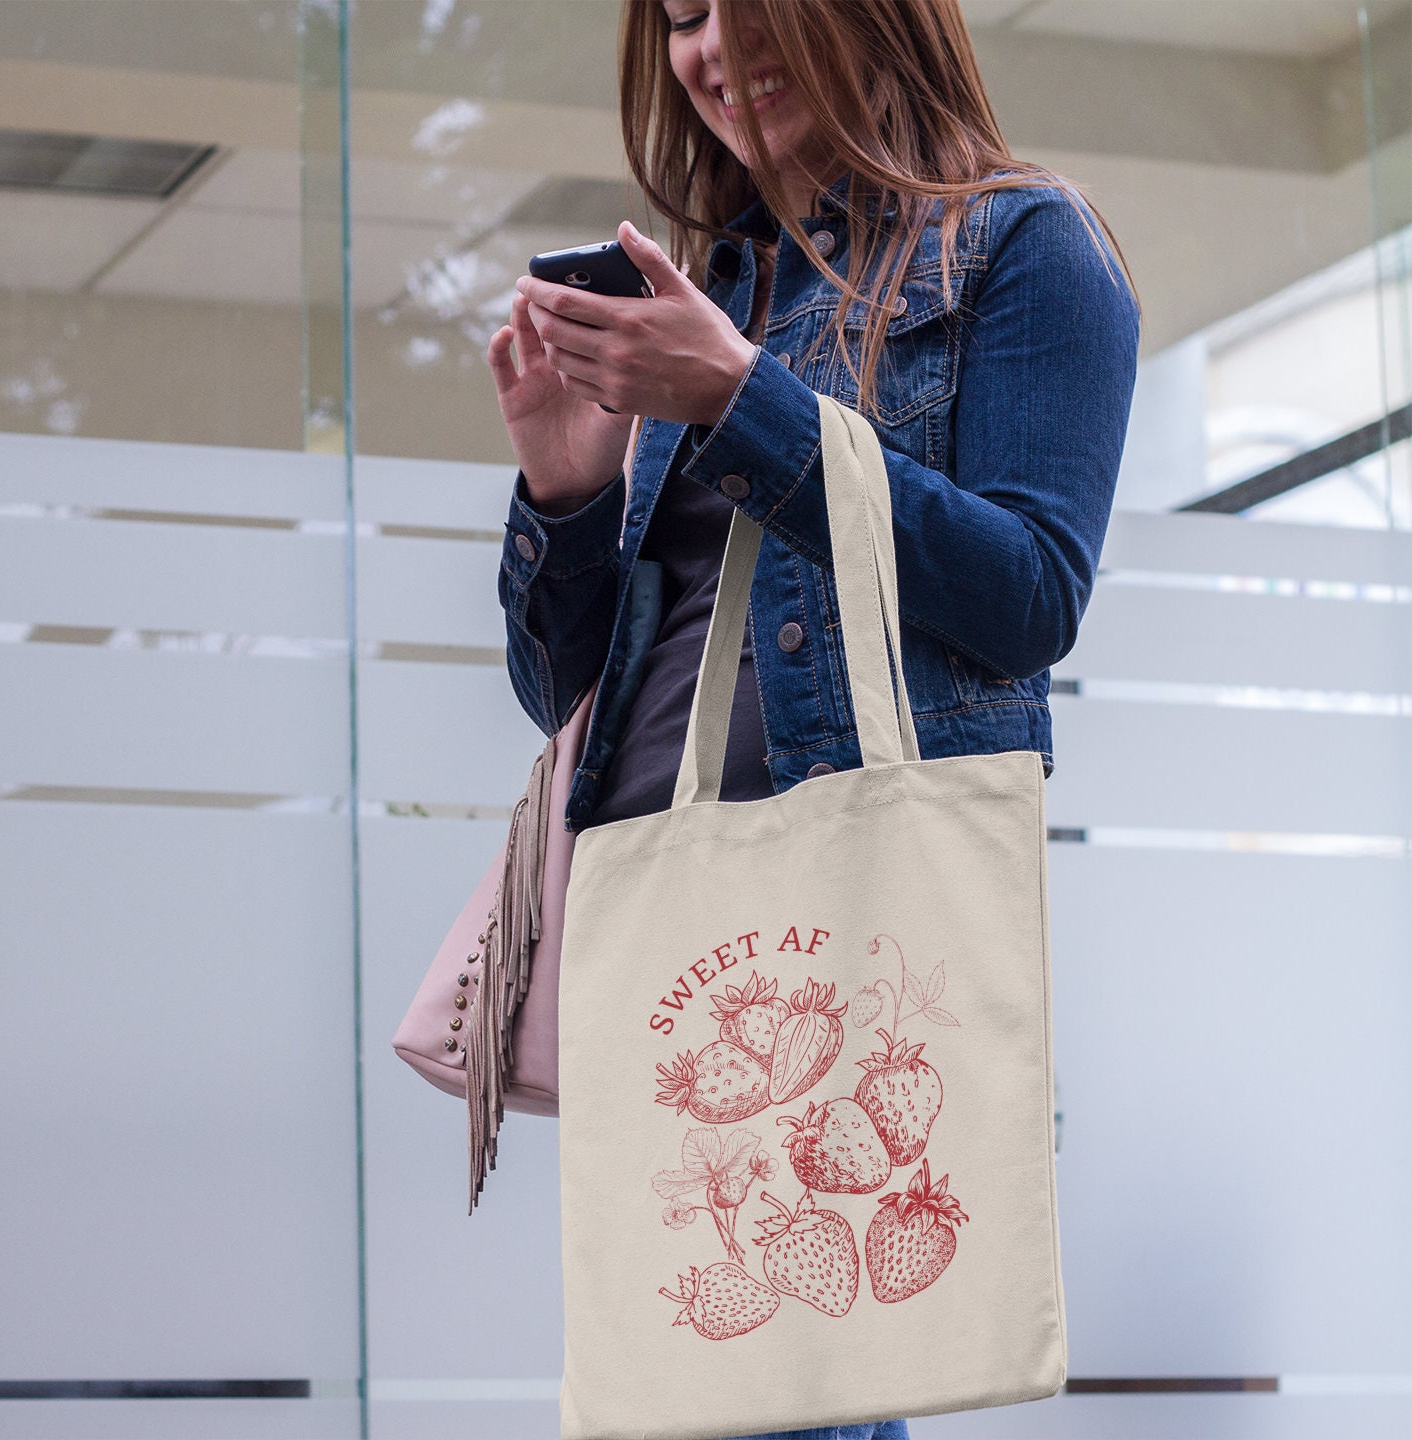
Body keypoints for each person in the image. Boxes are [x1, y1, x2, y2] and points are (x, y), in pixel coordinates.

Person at [485, 3, 1139, 1438]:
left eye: (755, 5)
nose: (718, 48)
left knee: (788, 1392)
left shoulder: (1024, 248)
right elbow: (571, 698)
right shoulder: (707, 284)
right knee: (683, 1390)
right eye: (684, 18)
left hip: (846, 942)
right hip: (677, 958)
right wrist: (566, 491)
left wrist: (745, 404)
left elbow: (1030, 594)